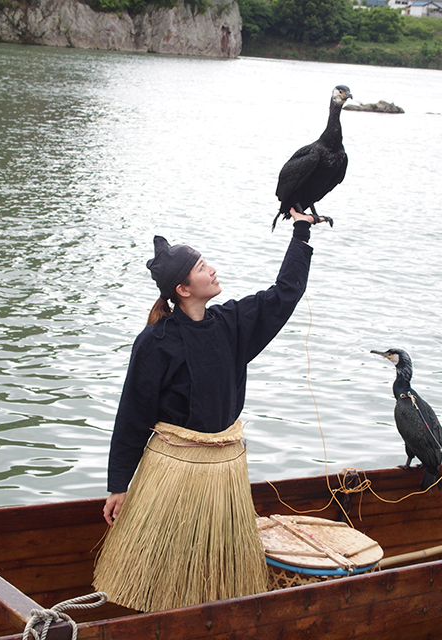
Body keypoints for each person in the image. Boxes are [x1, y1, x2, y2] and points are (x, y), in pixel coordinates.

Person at [93, 208, 320, 613]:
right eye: (201, 267)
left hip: (224, 475)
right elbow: (132, 416)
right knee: (164, 577)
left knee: (222, 579)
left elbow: (285, 292)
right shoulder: (155, 342)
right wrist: (119, 486)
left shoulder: (231, 323)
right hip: (172, 471)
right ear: (183, 288)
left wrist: (300, 232)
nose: (212, 270)